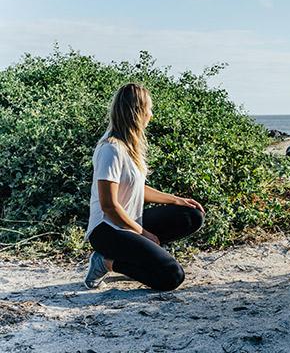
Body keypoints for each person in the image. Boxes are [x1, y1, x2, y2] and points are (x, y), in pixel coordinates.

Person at [84, 83, 205, 291]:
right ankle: (106, 262)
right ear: (138, 111)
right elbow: (109, 206)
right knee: (172, 276)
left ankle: (140, 255)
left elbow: (137, 189)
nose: (151, 114)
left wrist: (176, 200)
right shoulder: (110, 149)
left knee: (191, 215)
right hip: (106, 230)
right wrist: (143, 233)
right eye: (149, 108)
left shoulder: (129, 147)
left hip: (129, 221)